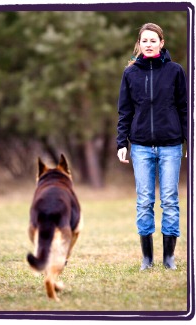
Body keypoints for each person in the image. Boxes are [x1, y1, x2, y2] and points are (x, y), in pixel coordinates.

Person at [116, 23, 187, 271]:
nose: (148, 43)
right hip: (141, 147)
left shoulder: (176, 71)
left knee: (170, 200)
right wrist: (121, 142)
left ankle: (169, 258)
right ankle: (147, 258)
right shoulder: (131, 73)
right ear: (139, 44)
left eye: (153, 40)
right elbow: (125, 111)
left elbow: (184, 109)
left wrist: (189, 140)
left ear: (161, 43)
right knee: (144, 201)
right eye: (144, 40)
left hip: (171, 145)